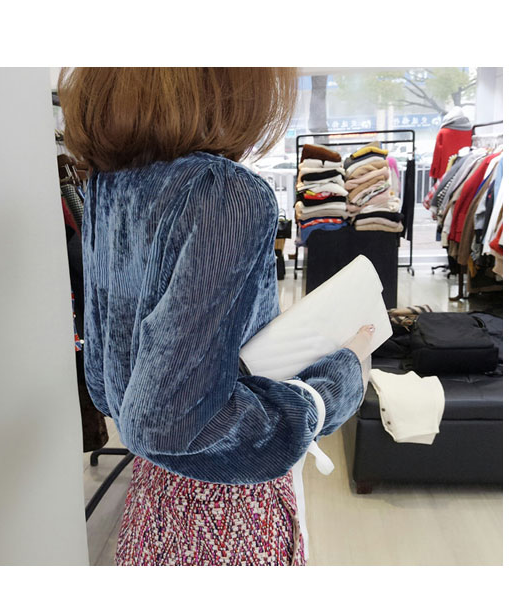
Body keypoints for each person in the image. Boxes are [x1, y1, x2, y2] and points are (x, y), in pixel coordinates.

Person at [59, 69, 373, 566]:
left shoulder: (108, 186)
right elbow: (169, 425)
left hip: (155, 503)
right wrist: (334, 384)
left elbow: (106, 386)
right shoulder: (222, 192)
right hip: (223, 517)